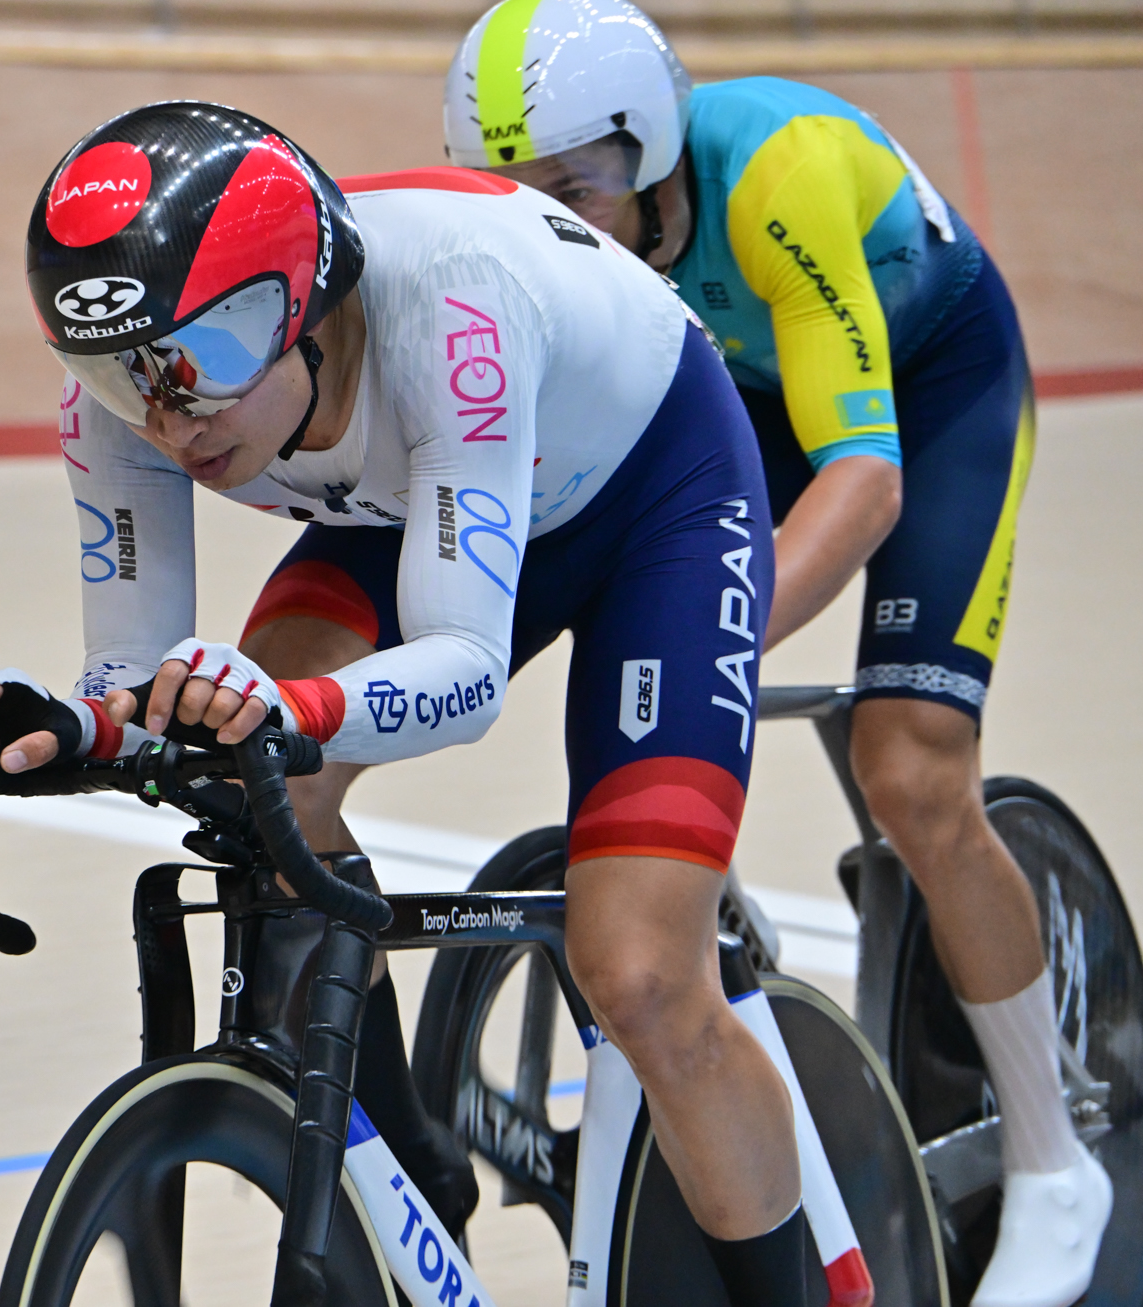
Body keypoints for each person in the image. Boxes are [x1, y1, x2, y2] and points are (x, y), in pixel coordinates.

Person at [0, 100, 813, 1303]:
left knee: (642, 973)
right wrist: (63, 724)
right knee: (247, 781)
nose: (168, 417)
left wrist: (287, 704)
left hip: (653, 493)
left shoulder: (448, 303)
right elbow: (137, 683)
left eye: (201, 363)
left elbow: (461, 675)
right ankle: (416, 1196)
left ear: (302, 302)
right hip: (424, 501)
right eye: (118, 375)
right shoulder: (137, 383)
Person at [439, 3, 1111, 1304]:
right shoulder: (575, 239)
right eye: (517, 193)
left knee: (910, 766)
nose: (551, 219)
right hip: (748, 386)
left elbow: (862, 482)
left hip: (929, 385)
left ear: (650, 150)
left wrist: (715, 642)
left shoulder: (776, 171)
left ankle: (1052, 1155)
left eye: (576, 187)